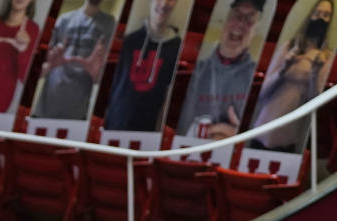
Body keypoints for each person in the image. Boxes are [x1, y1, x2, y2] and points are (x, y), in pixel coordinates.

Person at [250, 0, 333, 152]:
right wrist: (284, 68)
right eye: (317, 13)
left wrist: (315, 72)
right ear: (310, 16)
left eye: (326, 15)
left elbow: (313, 102)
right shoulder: (289, 47)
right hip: (263, 129)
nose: (320, 18)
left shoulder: (326, 56)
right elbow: (263, 93)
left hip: (288, 136)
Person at [176, 0, 265, 139]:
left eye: (249, 19)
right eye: (237, 15)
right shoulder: (193, 73)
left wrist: (239, 138)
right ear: (225, 21)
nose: (241, 23)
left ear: (256, 30)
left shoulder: (259, 84)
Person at [103, 0, 182, 131]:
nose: (164, 3)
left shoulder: (177, 48)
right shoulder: (129, 41)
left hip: (149, 132)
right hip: (117, 125)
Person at [33, 0, 116, 120]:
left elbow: (104, 77)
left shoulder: (109, 24)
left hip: (78, 109)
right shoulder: (64, 19)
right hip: (49, 101)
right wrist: (48, 66)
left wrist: (96, 73)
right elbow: (43, 66)